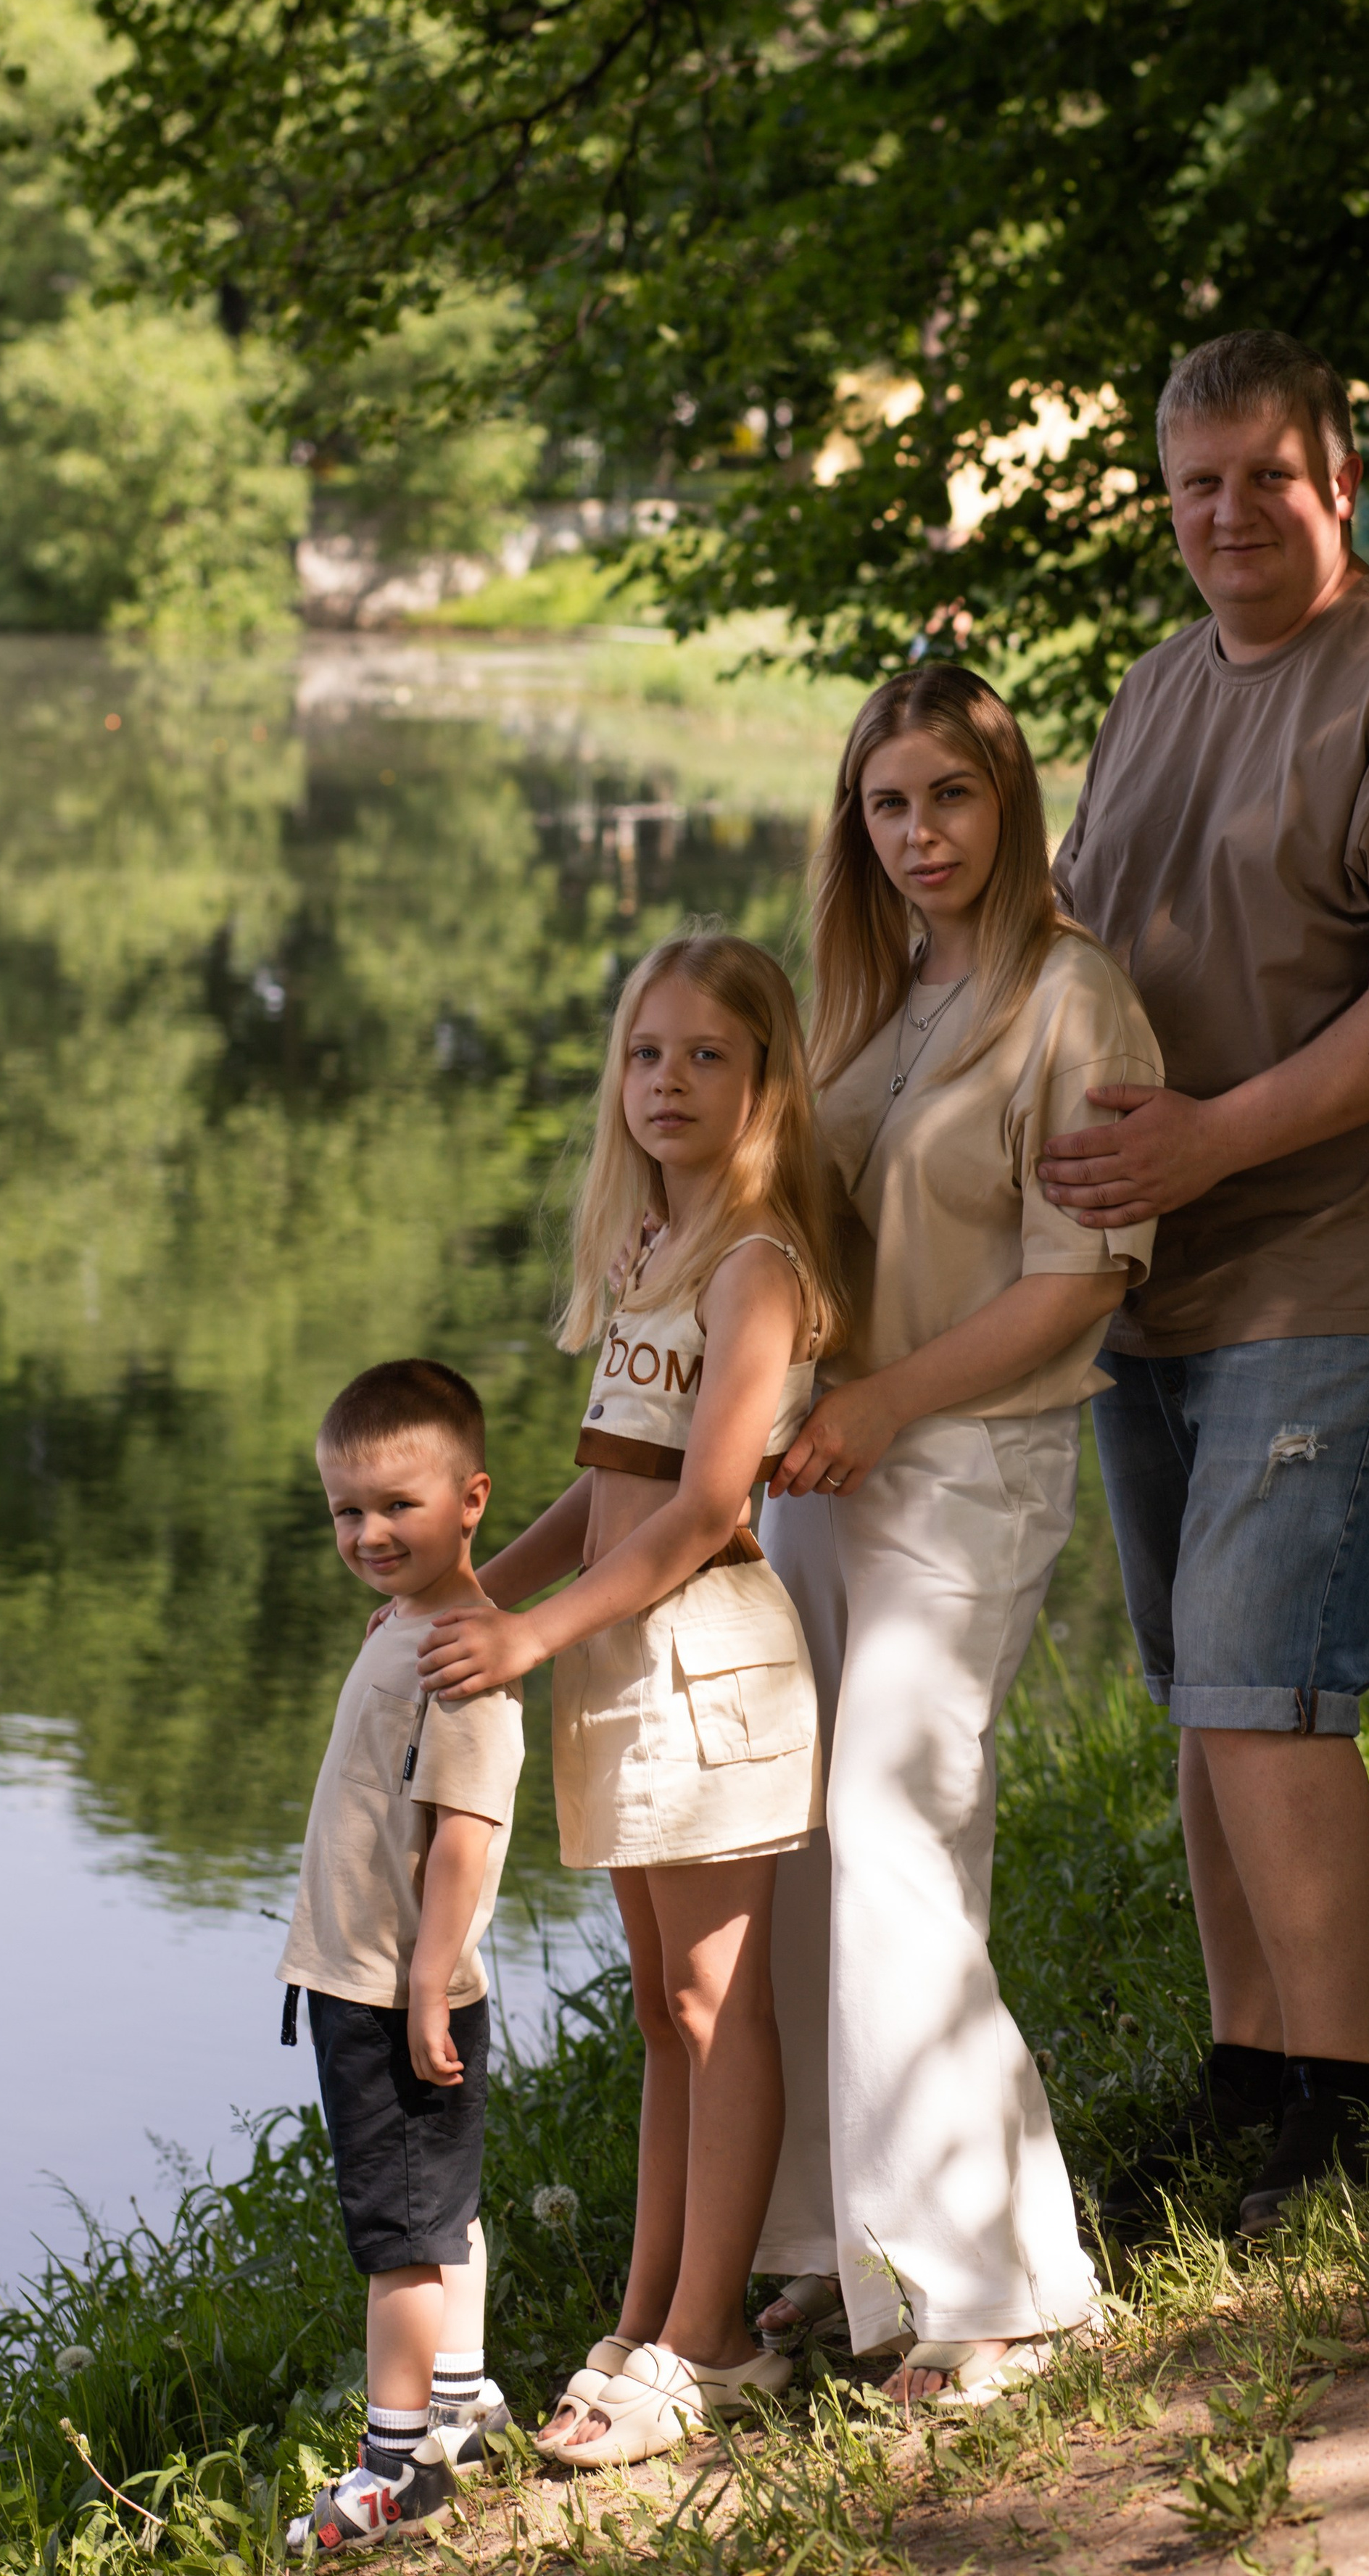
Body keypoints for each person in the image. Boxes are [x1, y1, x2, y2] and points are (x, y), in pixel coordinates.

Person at [1039, 328, 1369, 2235]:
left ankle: (1346, 2121)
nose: (1227, 514)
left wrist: (1210, 1143)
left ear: (1339, 480)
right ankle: (1250, 2081)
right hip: (1146, 1274)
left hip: (1333, 1266)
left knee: (1272, 1691)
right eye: (1194, 483)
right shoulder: (1162, 683)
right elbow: (1074, 949)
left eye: (1267, 475)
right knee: (1205, 1697)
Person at [750, 663, 1164, 2407]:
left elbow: (1079, 1277)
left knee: (894, 1833)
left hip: (963, 1458)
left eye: (948, 797)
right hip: (825, 1469)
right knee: (795, 1846)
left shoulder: (1074, 1002)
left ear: (1009, 806)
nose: (917, 834)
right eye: (886, 803)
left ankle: (1000, 2284)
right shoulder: (866, 995)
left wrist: (884, 1400)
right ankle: (835, 2252)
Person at [414, 933, 843, 2468]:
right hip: (616, 1666)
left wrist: (528, 1639)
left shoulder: (755, 1268)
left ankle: (708, 2343)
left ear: (764, 1080)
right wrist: (469, 1592)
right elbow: (603, 1493)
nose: (666, 1082)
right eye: (644, 1054)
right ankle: (648, 2311)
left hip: (708, 1668)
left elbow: (699, 1512)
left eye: (704, 1056)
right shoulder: (642, 1257)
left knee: (716, 2004)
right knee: (666, 2015)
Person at [277, 1358, 524, 2554]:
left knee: (400, 2240)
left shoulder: (462, 1658)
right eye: (347, 1512)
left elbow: (468, 1840)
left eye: (398, 1508)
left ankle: (396, 2467)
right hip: (371, 1980)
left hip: (393, 1991)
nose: (369, 1532)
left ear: (472, 1498)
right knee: (443, 2215)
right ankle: (463, 2402)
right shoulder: (416, 1625)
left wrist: (427, 1980)